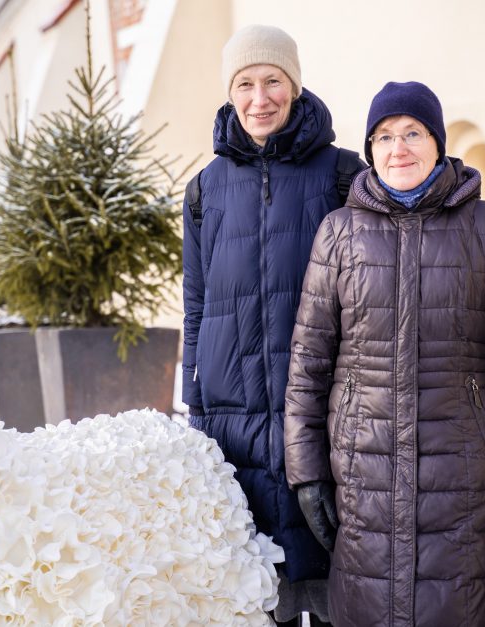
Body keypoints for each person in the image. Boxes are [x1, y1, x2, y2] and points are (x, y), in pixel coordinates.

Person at [284, 81, 485, 626]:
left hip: (463, 482)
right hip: (364, 475)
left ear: (437, 143)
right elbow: (308, 366)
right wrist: (307, 473)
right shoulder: (339, 234)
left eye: (412, 133)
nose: (397, 148)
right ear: (370, 150)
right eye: (383, 137)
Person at [181, 24, 364, 627]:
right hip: (231, 419)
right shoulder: (205, 189)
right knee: (263, 593)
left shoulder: (341, 174)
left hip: (323, 416)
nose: (260, 98)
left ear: (294, 84)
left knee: (339, 587)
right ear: (230, 94)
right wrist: (193, 395)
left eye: (272, 81)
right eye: (245, 84)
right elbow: (196, 300)